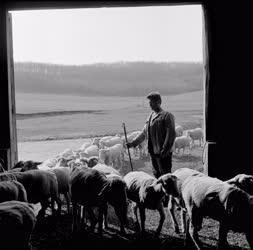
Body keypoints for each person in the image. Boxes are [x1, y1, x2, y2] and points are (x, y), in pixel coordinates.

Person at [127, 91, 176, 178]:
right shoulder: (150, 117)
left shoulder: (167, 116)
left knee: (166, 177)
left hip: (163, 154)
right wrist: (133, 143)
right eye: (149, 102)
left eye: (152, 102)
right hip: (153, 153)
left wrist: (165, 150)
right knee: (156, 175)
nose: (150, 105)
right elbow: (144, 133)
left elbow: (171, 134)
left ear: (159, 102)